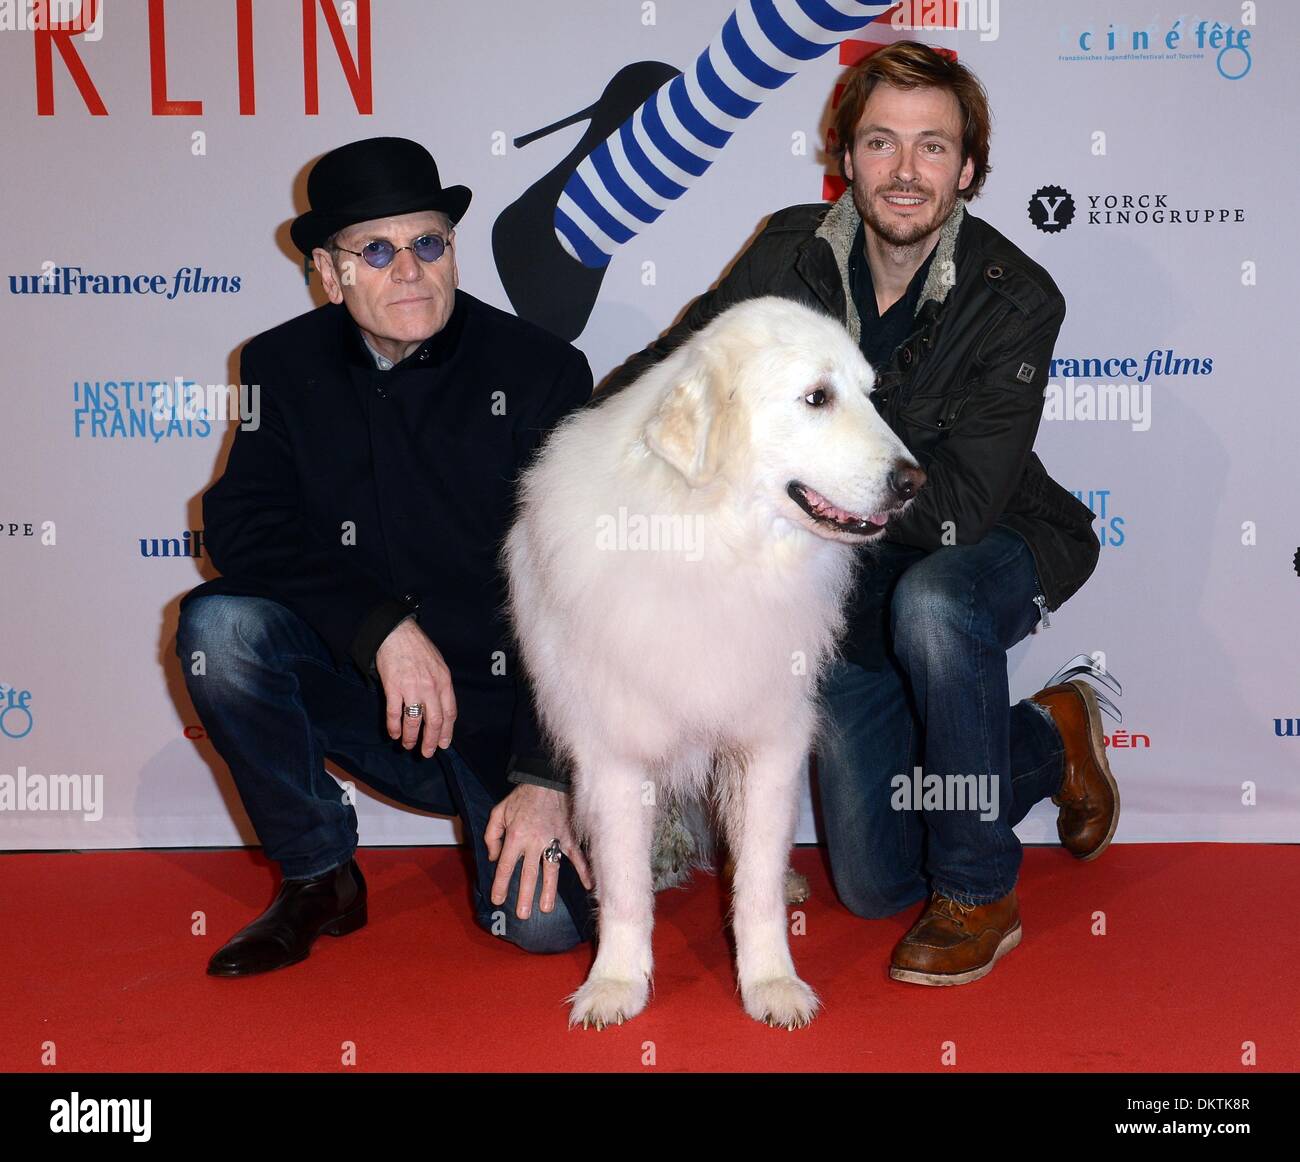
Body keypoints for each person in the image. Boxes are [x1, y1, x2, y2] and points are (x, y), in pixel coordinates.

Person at [600, 43, 1118, 986]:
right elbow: (678, 369)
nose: (905, 171)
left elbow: (956, 508)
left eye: (933, 148)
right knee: (876, 883)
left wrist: (794, 474)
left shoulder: (1018, 300)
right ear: (847, 156)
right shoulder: (784, 251)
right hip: (842, 565)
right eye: (882, 142)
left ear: (967, 170)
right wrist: (594, 453)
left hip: (992, 540)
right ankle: (1048, 735)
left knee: (934, 601)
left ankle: (975, 890)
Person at [176, 137, 595, 976]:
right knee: (218, 631)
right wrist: (381, 630)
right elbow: (242, 525)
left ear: (452, 250)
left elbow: (581, 592)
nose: (408, 270)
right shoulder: (280, 364)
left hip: (500, 716)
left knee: (544, 930)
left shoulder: (542, 371)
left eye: (427, 242)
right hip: (361, 689)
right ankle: (317, 873)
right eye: (376, 249)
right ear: (330, 275)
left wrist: (546, 778)